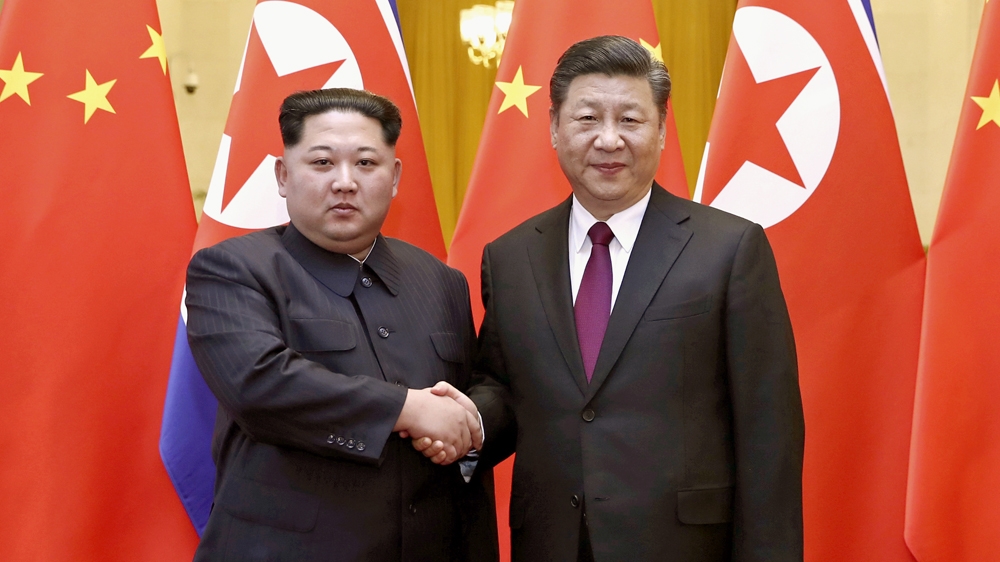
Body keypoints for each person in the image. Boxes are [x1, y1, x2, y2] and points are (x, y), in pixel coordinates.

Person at [426, 35, 805, 561]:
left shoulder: (730, 249)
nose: (609, 140)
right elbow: (505, 387)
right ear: (555, 129)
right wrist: (467, 423)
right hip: (552, 540)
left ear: (662, 130)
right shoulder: (511, 257)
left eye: (630, 120)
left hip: (686, 545)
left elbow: (769, 433)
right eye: (587, 120)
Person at [185, 88, 497, 561]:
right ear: (283, 176)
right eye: (323, 163)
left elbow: (478, 389)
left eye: (367, 164)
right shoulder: (231, 269)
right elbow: (258, 384)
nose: (345, 182)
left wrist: (469, 421)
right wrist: (406, 410)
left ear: (393, 178)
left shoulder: (442, 280)